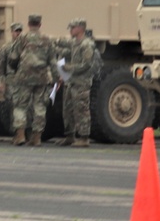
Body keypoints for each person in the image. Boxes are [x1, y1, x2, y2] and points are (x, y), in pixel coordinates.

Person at [8, 14, 58, 146]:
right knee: (40, 106)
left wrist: (15, 68)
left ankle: (20, 135)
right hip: (41, 77)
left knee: (20, 106)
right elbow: (53, 61)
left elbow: (13, 57)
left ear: (29, 24)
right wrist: (56, 79)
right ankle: (37, 137)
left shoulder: (22, 38)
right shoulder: (47, 40)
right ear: (40, 25)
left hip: (24, 77)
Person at [58, 18, 96, 147]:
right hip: (72, 81)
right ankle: (70, 135)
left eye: (72, 27)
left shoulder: (87, 45)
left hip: (81, 82)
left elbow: (86, 65)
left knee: (81, 109)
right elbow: (62, 43)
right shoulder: (75, 43)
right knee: (68, 109)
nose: (70, 30)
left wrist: (69, 68)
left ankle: (84, 138)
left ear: (80, 28)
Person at [0, 22, 23, 112]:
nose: (18, 33)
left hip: (24, 81)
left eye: (20, 31)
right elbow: (0, 68)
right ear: (12, 32)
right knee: (12, 108)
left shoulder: (27, 47)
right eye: (16, 31)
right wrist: (0, 82)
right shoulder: (6, 48)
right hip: (11, 82)